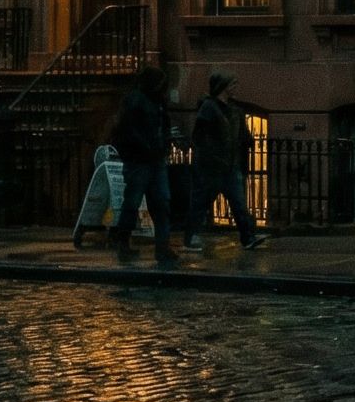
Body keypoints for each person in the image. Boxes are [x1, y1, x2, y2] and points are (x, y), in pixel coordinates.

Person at [106, 65, 179, 262]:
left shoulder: (156, 102)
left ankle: (161, 246)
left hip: (153, 160)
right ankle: (125, 243)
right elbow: (128, 130)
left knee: (160, 203)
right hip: (139, 160)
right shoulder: (136, 100)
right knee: (134, 202)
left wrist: (163, 144)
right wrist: (149, 147)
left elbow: (163, 125)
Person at [189, 72, 261, 249]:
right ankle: (191, 237)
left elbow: (241, 135)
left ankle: (248, 238)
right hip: (212, 167)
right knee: (202, 201)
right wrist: (209, 156)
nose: (235, 88)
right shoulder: (209, 107)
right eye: (232, 84)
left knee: (238, 203)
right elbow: (200, 136)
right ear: (223, 86)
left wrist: (247, 141)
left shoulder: (234, 110)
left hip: (229, 165)